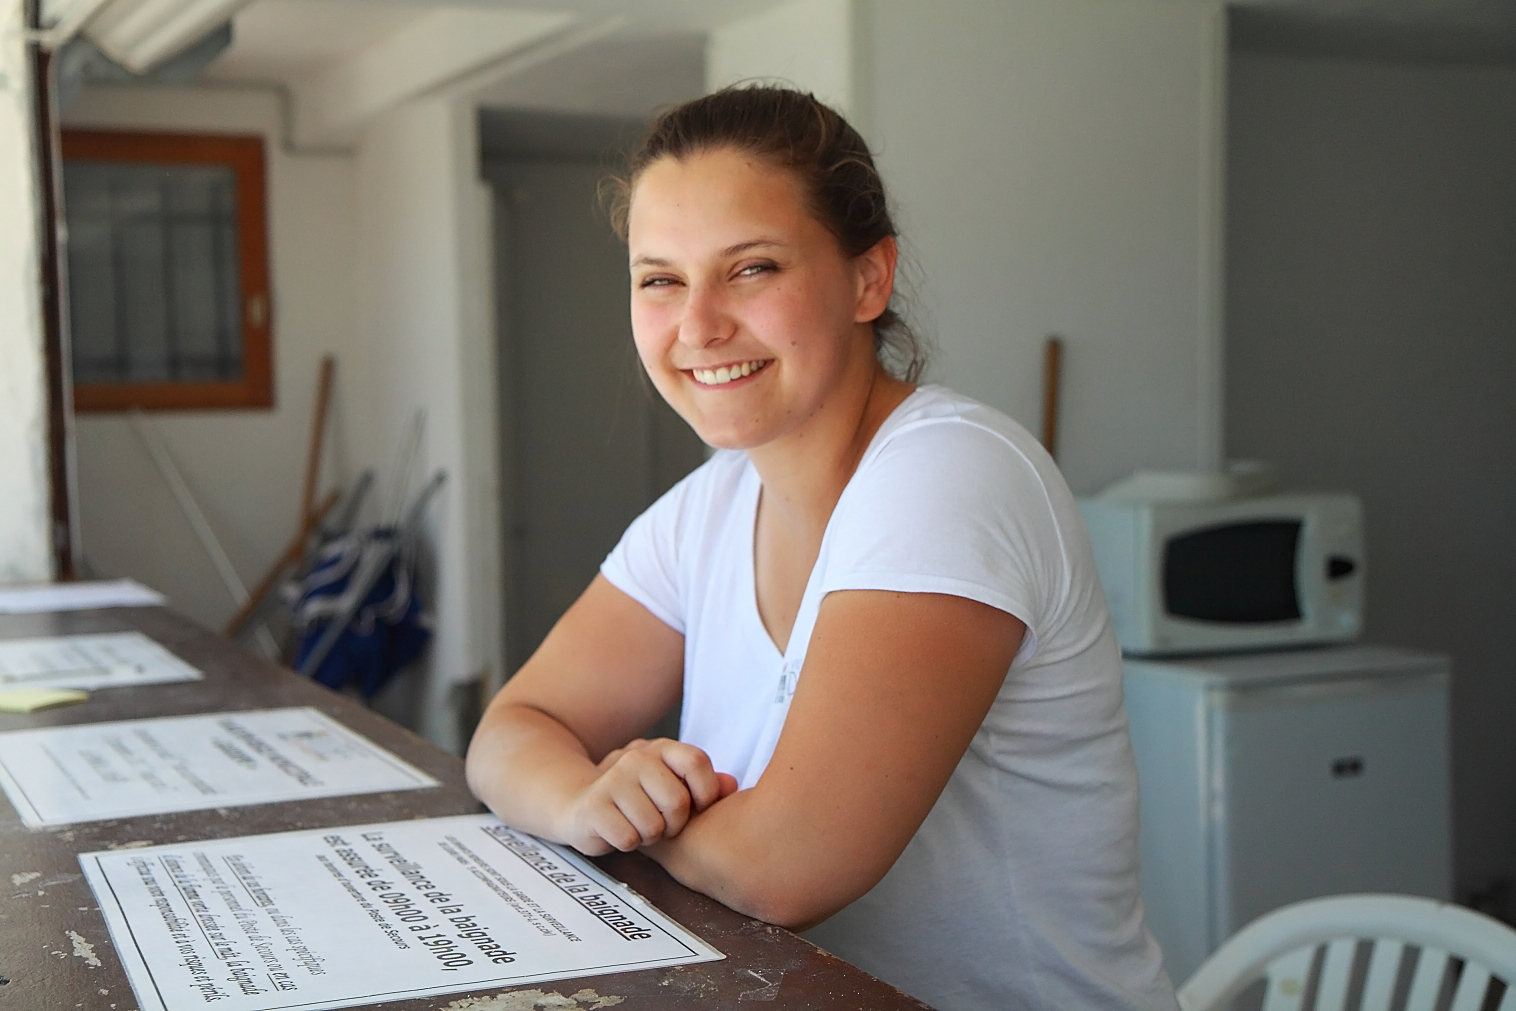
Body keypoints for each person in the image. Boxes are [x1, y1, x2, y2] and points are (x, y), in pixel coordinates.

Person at [465, 86, 1178, 1011]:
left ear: (868, 279)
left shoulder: (950, 474)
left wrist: (631, 816)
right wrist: (584, 801)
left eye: (751, 268)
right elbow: (509, 734)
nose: (698, 325)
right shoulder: (710, 506)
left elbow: (785, 868)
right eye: (659, 278)